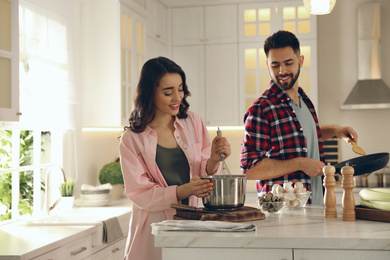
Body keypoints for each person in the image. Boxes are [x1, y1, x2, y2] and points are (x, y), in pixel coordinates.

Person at [119, 57, 231, 260]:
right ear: (150, 93)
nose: (177, 98)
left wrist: (214, 159)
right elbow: (140, 193)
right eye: (168, 92)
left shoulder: (193, 121)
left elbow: (206, 172)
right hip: (153, 230)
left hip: (194, 225)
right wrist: (183, 190)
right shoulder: (132, 139)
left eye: (180, 89)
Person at [240, 30, 358, 205]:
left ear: (300, 60)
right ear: (267, 65)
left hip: (317, 205)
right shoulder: (261, 109)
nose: (282, 71)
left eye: (288, 63)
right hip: (282, 215)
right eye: (275, 65)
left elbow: (299, 137)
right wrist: (300, 164)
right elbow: (249, 169)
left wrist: (334, 130)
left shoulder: (304, 101)